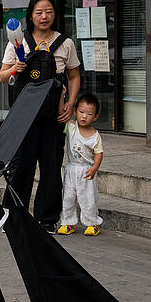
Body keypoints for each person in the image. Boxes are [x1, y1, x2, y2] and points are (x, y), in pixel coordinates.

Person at [0, 0, 81, 232]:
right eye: (39, 12)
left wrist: (71, 103)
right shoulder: (18, 42)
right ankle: (13, 217)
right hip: (23, 117)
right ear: (31, 16)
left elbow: (74, 75)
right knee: (20, 166)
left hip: (53, 115)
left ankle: (46, 219)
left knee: (51, 167)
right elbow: (3, 77)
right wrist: (15, 67)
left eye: (49, 12)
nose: (44, 16)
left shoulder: (65, 43)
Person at [57, 93, 104, 236]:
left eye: (89, 114)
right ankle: (68, 222)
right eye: (81, 112)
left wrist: (94, 168)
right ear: (75, 111)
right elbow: (61, 112)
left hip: (86, 170)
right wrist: (62, 95)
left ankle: (92, 223)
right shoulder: (71, 127)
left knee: (88, 198)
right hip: (71, 168)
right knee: (68, 197)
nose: (84, 116)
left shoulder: (95, 135)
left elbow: (99, 153)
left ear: (95, 117)